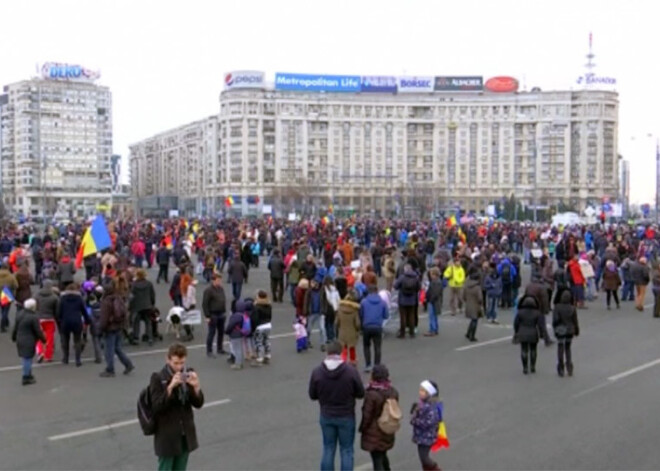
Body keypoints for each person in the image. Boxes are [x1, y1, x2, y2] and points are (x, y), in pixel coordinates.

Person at [309, 340, 365, 471]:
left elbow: (312, 395)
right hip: (346, 415)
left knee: (328, 449)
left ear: (327, 352)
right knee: (346, 450)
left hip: (327, 415)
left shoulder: (317, 372)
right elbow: (361, 393)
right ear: (340, 352)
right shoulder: (350, 371)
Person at [149, 343, 204, 471]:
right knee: (166, 468)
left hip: (185, 434)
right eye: (175, 363)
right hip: (167, 436)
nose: (179, 367)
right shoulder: (158, 378)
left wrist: (196, 387)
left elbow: (198, 403)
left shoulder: (188, 374)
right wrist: (170, 387)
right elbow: (156, 407)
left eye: (182, 363)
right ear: (167, 359)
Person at [359, 364, 399, 471]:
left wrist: (362, 428)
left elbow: (367, 415)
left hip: (374, 431)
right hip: (387, 428)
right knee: (382, 454)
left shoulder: (371, 394)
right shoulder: (393, 392)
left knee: (377, 459)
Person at [99, 279, 135, 377]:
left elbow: (104, 318)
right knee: (117, 348)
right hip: (119, 326)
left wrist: (101, 328)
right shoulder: (118, 298)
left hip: (110, 328)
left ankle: (110, 369)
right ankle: (128, 364)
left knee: (109, 350)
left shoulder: (106, 301)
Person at [12, 299, 46, 386]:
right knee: (27, 359)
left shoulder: (19, 314)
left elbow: (15, 327)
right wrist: (43, 340)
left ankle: (28, 374)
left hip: (20, 338)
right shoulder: (33, 317)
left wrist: (13, 337)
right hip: (29, 339)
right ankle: (26, 377)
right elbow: (38, 331)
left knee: (25, 358)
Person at [410, 380, 441, 471]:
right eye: (420, 390)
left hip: (427, 437)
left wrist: (415, 420)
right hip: (422, 436)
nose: (420, 392)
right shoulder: (422, 404)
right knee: (422, 457)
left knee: (424, 457)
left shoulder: (431, 406)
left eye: (423, 391)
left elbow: (428, 422)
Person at [514, 295, 548, 375]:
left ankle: (525, 367)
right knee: (533, 350)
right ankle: (532, 366)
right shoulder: (537, 313)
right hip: (533, 332)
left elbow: (516, 323)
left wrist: (517, 332)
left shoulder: (520, 312)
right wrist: (542, 334)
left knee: (524, 350)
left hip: (522, 332)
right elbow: (540, 324)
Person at [57, 282, 90, 367]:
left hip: (65, 321)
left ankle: (65, 358)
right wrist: (87, 320)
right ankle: (78, 360)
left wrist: (59, 321)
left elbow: (59, 311)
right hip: (76, 321)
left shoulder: (63, 299)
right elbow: (84, 311)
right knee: (77, 340)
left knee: (65, 340)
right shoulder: (79, 299)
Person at [359, 284, 388, 373]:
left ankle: (368, 365)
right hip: (377, 326)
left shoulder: (363, 302)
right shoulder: (382, 302)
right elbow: (386, 315)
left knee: (366, 346)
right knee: (377, 347)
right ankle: (377, 365)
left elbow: (361, 314)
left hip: (366, 326)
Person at [552, 288, 580, 377]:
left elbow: (555, 320)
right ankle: (569, 366)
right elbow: (575, 321)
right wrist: (576, 330)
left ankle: (560, 366)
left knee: (560, 347)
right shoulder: (572, 308)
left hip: (560, 329)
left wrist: (555, 327)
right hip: (570, 330)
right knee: (568, 348)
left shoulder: (557, 307)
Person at [202, 274, 227, 358]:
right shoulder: (208, 290)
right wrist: (207, 316)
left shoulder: (221, 289)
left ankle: (220, 348)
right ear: (213, 280)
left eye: (220, 280)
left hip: (221, 313)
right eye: (218, 280)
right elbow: (205, 304)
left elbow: (223, 299)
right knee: (211, 333)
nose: (220, 282)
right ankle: (209, 350)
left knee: (221, 332)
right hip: (213, 314)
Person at [35, 279, 59, 363]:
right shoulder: (54, 297)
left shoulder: (37, 295)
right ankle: (48, 356)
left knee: (39, 336)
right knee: (50, 337)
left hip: (39, 318)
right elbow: (57, 310)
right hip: (50, 319)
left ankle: (40, 352)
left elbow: (34, 305)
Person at [130, 269, 156, 346]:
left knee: (136, 322)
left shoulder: (134, 285)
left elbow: (132, 296)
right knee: (148, 322)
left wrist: (130, 306)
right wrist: (152, 304)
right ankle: (150, 338)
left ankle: (136, 338)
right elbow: (152, 295)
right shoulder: (149, 284)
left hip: (137, 306)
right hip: (147, 305)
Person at [393, 264, 420, 338]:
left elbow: (395, 286)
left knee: (403, 317)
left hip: (403, 299)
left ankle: (402, 333)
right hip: (412, 299)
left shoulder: (402, 277)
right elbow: (418, 287)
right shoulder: (416, 277)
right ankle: (412, 332)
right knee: (411, 315)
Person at [336, 290, 362, 366]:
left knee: (343, 348)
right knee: (352, 348)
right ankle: (352, 361)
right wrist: (358, 329)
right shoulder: (355, 311)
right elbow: (357, 324)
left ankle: (343, 361)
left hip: (342, 332)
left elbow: (336, 322)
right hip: (352, 333)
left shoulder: (340, 309)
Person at [224, 299, 248, 370]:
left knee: (236, 349)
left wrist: (226, 331)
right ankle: (239, 362)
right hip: (240, 333)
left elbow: (231, 325)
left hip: (235, 334)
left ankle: (238, 364)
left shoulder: (236, 316)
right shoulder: (243, 315)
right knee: (239, 349)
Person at [463, 266, 483, 342]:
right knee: (475, 320)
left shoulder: (466, 285)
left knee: (472, 320)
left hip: (469, 304)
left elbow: (464, 296)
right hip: (475, 305)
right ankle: (472, 336)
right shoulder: (477, 287)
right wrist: (481, 304)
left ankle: (468, 333)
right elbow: (480, 298)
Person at [252, 290, 272, 364]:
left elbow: (255, 318)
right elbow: (270, 316)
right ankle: (268, 354)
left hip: (260, 326)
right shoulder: (269, 305)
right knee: (267, 340)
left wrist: (254, 327)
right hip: (268, 325)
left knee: (259, 341)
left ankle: (260, 356)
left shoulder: (257, 306)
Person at [425, 267, 443, 336]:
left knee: (432, 316)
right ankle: (435, 329)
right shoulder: (436, 281)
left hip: (433, 301)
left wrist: (430, 299)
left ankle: (432, 329)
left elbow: (435, 293)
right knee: (434, 316)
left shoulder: (436, 282)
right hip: (434, 301)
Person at [0, 263, 18, 332]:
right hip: (6, 293)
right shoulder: (10, 276)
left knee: (2, 309)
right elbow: (16, 285)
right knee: (6, 310)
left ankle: (5, 322)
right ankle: (3, 324)